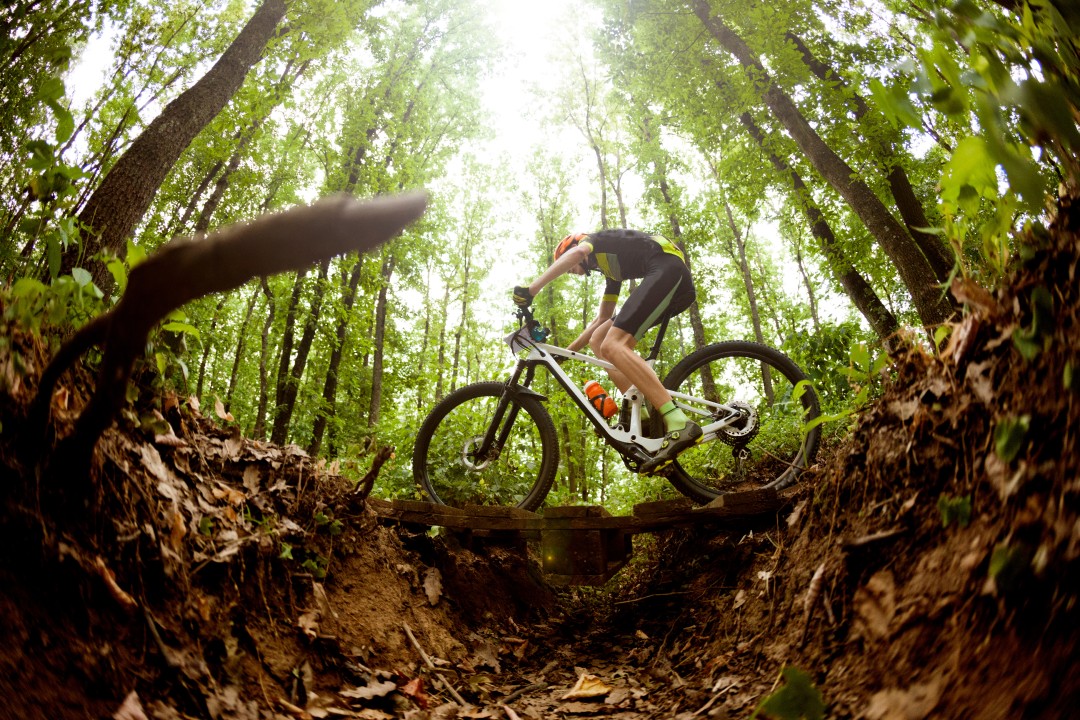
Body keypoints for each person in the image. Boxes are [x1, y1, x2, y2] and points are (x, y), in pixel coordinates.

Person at [513, 229, 698, 475]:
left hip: (667, 269)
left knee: (613, 344)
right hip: (667, 275)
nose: (569, 270)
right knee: (600, 339)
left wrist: (531, 290)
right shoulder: (612, 271)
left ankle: (677, 420)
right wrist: (565, 353)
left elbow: (578, 252)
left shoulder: (594, 241)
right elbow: (601, 320)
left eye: (566, 262)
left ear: (573, 247)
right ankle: (641, 415)